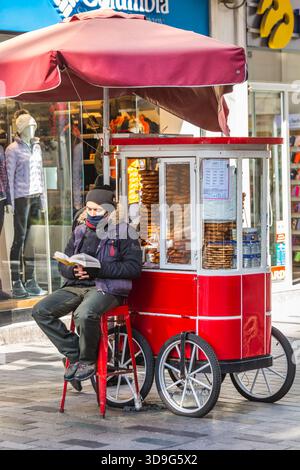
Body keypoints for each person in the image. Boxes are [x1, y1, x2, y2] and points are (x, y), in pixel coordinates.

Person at [32, 187, 142, 383]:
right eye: (89, 209)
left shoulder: (126, 232)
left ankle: (87, 360)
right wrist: (72, 271)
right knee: (41, 310)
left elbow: (133, 269)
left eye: (97, 210)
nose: (91, 214)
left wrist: (98, 270)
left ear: (109, 211)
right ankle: (75, 352)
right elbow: (63, 264)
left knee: (83, 314)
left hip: (106, 288)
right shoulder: (80, 231)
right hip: (77, 285)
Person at [5, 113, 47, 298]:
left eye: (34, 126)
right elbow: (9, 178)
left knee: (32, 240)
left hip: (36, 196)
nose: (33, 130)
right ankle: (16, 281)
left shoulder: (36, 147)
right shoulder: (12, 149)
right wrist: (11, 202)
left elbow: (41, 175)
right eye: (29, 127)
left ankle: (30, 279)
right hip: (21, 198)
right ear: (21, 129)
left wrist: (43, 199)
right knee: (19, 239)